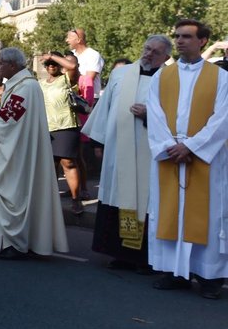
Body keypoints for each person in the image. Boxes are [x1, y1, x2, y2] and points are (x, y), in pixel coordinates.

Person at [145, 19, 228, 299]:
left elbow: (223, 118)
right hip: (170, 153)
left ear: (203, 41)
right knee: (170, 213)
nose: (180, 41)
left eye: (187, 36)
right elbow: (154, 113)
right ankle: (174, 272)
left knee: (209, 217)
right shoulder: (162, 76)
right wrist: (170, 146)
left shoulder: (220, 77)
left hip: (205, 156)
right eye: (178, 36)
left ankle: (209, 277)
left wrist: (191, 147)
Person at [82, 35, 171, 271]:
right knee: (120, 198)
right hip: (118, 150)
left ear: (166, 57)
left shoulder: (172, 80)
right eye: (147, 48)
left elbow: (179, 118)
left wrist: (151, 115)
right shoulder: (121, 75)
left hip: (151, 154)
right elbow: (105, 108)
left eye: (156, 52)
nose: (149, 54)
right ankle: (122, 254)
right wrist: (98, 142)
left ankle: (144, 258)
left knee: (146, 202)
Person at [0, 47, 68, 259]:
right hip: (17, 151)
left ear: (13, 65)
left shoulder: (25, 88)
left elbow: (7, 123)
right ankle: (16, 242)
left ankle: (15, 244)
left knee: (15, 195)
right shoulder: (19, 85)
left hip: (18, 156)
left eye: (1, 64)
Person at [40, 51, 85, 216]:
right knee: (50, 166)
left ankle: (76, 198)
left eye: (54, 63)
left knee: (68, 163)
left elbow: (72, 66)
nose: (51, 66)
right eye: (48, 64)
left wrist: (52, 56)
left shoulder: (67, 78)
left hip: (66, 126)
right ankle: (49, 200)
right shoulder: (40, 84)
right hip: (47, 128)